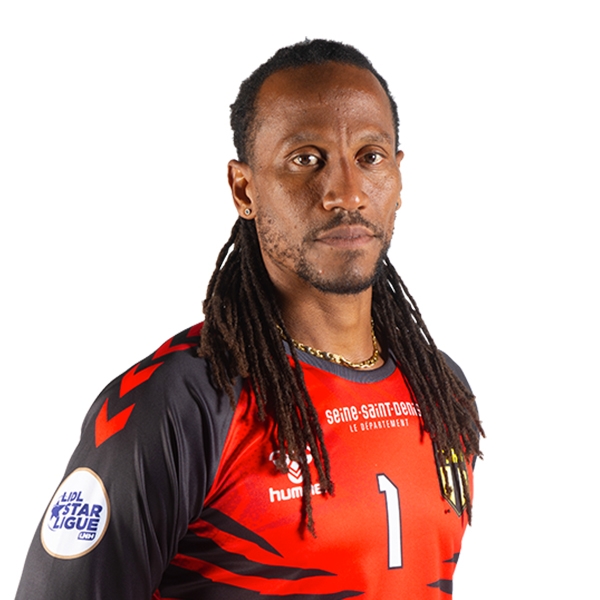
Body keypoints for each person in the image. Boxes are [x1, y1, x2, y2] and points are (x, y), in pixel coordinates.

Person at [16, 39, 482, 599]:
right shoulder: (180, 400)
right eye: (305, 159)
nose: (346, 193)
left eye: (370, 157)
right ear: (245, 189)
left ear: (399, 179)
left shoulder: (440, 390)